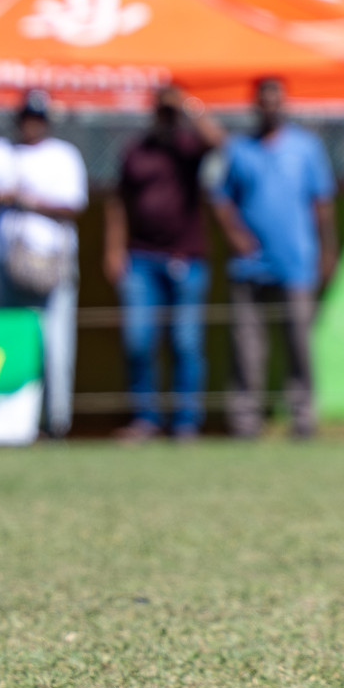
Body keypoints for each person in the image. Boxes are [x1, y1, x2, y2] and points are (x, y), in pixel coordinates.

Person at [210, 78, 337, 439]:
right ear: (255, 106)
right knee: (247, 347)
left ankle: (303, 418)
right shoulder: (238, 149)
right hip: (249, 265)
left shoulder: (306, 147)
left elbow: (322, 204)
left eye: (276, 100)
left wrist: (327, 250)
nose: (270, 107)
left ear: (285, 104)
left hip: (296, 261)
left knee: (299, 342)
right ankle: (245, 421)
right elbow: (218, 195)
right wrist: (235, 234)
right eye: (263, 101)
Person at [104, 87, 226, 442]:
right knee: (139, 340)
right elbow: (117, 202)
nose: (167, 120)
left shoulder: (189, 147)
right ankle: (146, 419)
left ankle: (186, 423)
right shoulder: (136, 151)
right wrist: (114, 250)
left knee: (186, 342)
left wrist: (189, 107)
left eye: (171, 114)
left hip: (187, 260)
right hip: (141, 260)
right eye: (163, 112)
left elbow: (219, 141)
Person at [0, 90, 88, 438]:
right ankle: (9, 424)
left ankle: (56, 423)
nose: (30, 125)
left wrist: (28, 201)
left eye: (37, 119)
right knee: (6, 343)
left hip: (49, 263)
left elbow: (74, 205)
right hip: (0, 259)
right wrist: (1, 197)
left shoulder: (64, 155)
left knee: (55, 344)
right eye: (25, 118)